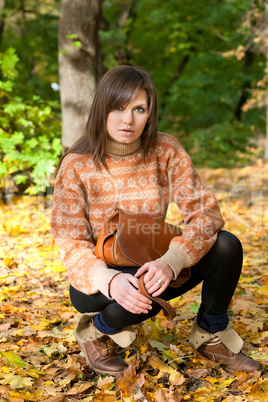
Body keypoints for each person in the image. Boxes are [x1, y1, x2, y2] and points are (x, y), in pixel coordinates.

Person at [51, 65, 263, 376]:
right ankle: (97, 331)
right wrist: (108, 280)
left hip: (151, 264)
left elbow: (206, 212)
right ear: (102, 108)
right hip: (97, 278)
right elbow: (69, 240)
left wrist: (171, 261)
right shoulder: (76, 165)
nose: (128, 119)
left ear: (150, 114)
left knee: (227, 245)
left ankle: (210, 333)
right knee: (123, 289)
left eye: (139, 109)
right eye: (119, 107)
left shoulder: (165, 150)